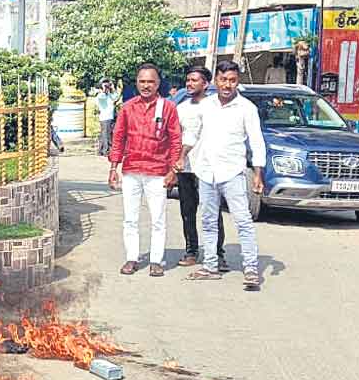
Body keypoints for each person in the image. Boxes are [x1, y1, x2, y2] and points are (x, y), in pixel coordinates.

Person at [187, 60, 266, 290]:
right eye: (223, 80)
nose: (227, 85)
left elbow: (257, 143)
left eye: (232, 80)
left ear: (237, 81)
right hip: (206, 172)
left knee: (243, 221)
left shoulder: (247, 108)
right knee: (209, 221)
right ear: (215, 81)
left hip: (232, 173)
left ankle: (251, 269)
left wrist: (258, 174)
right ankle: (210, 266)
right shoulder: (206, 106)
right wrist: (182, 156)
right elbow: (192, 135)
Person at [107, 63, 182, 278]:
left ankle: (156, 260)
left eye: (151, 81)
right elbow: (119, 138)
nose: (146, 85)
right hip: (131, 170)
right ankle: (132, 257)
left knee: (157, 218)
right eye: (142, 81)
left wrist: (173, 169)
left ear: (158, 83)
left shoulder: (167, 108)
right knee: (130, 218)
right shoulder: (128, 107)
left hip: (157, 171)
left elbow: (176, 140)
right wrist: (114, 167)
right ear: (137, 83)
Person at [175, 65, 226, 270]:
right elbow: (177, 135)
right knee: (187, 211)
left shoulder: (215, 107)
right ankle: (191, 251)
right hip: (185, 167)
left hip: (208, 168)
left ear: (206, 84)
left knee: (212, 212)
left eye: (194, 80)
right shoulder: (181, 108)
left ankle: (217, 254)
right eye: (188, 80)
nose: (190, 83)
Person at [95, 80, 118, 156]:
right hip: (105, 118)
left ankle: (100, 150)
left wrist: (112, 88)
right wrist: (104, 89)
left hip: (110, 117)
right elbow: (102, 96)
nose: (107, 87)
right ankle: (106, 150)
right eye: (105, 86)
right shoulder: (100, 95)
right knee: (106, 134)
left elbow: (116, 97)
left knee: (104, 134)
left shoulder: (109, 95)